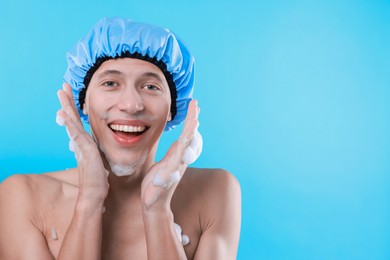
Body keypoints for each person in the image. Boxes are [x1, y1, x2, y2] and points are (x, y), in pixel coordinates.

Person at [0, 17, 241, 260]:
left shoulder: (214, 192)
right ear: (83, 101)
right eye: (111, 83)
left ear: (172, 109)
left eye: (151, 87)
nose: (131, 105)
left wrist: (157, 211)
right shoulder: (22, 197)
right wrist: (90, 200)